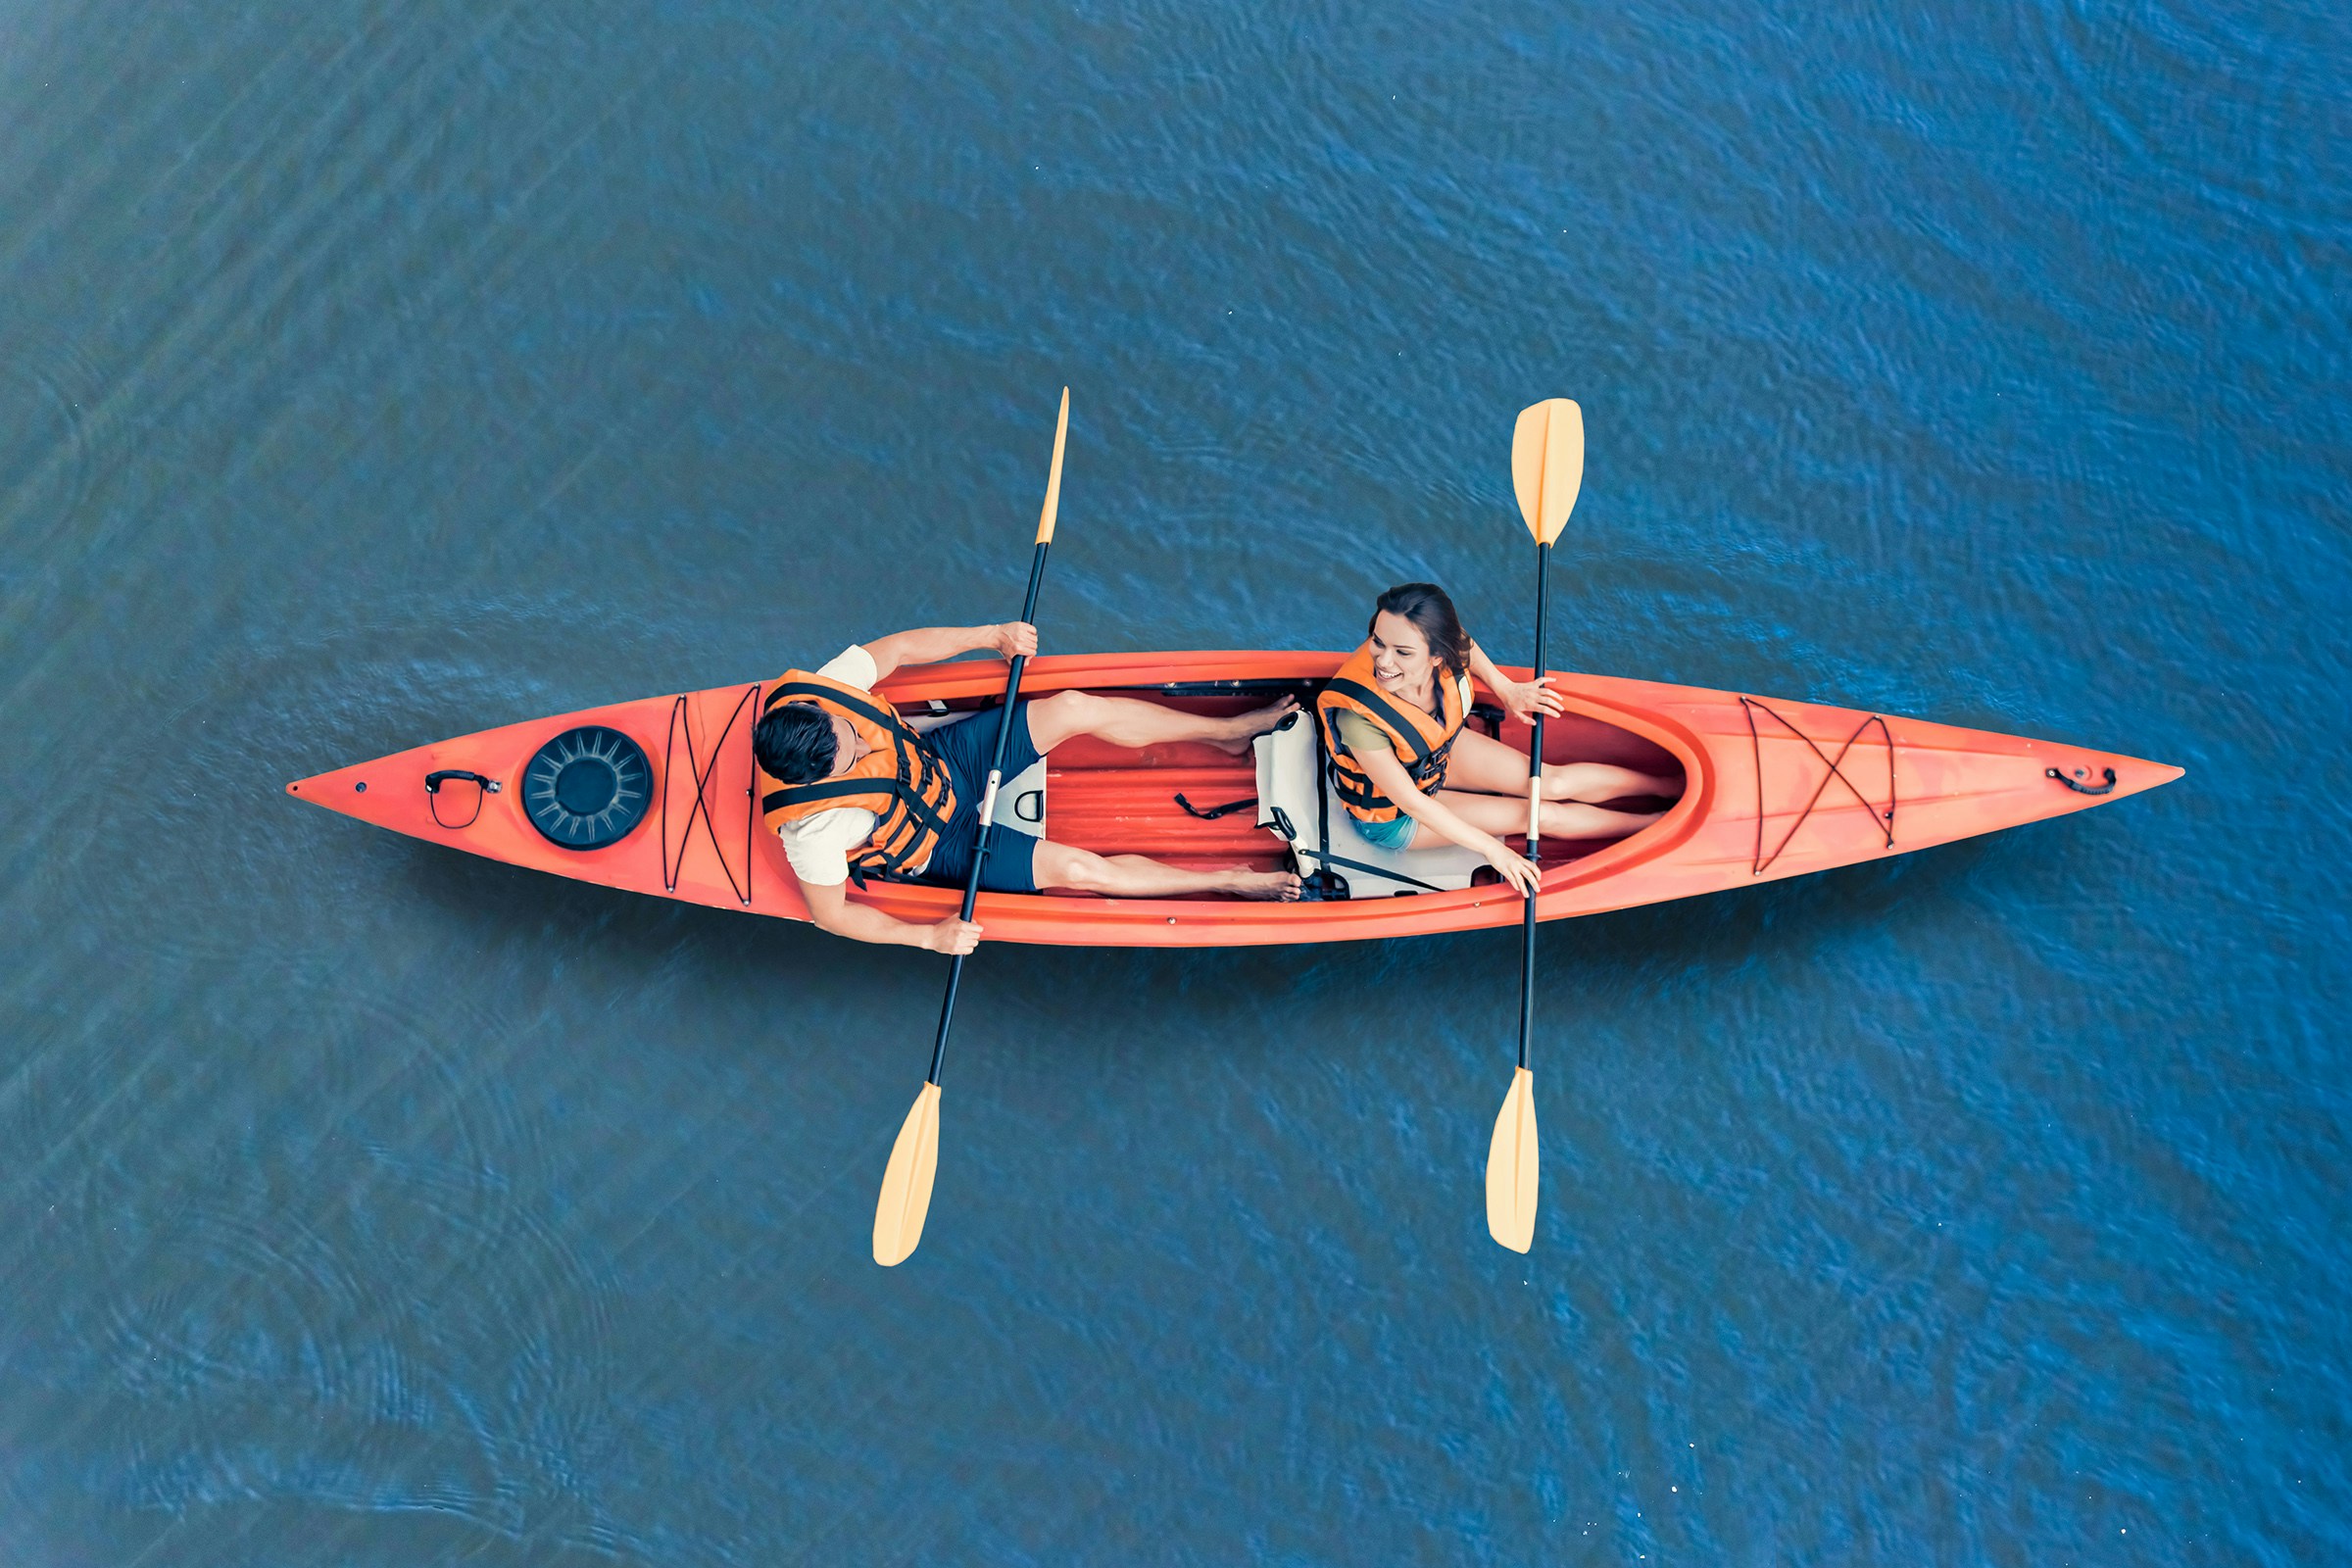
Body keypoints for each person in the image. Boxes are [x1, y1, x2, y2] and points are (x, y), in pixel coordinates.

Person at [756, 622, 1300, 952]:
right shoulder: (811, 830)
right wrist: (925, 936)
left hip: (947, 765)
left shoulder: (822, 689)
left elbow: (896, 649)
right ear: (819, 777)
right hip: (940, 844)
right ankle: (1230, 878)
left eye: (849, 731)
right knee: (1079, 870)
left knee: (1073, 707)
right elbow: (831, 915)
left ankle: (1228, 733)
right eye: (850, 758)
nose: (860, 743)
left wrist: (991, 636)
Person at [1314, 583, 1679, 897]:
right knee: (1539, 814)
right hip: (1394, 816)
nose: (1383, 660)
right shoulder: (1358, 718)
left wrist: (1507, 690)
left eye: (1402, 652)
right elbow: (1413, 804)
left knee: (1554, 781)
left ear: (1438, 655)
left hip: (1433, 758)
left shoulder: (1445, 647)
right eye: (1377, 641)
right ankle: (1656, 824)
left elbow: (1464, 643)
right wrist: (1493, 850)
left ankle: (1666, 786)